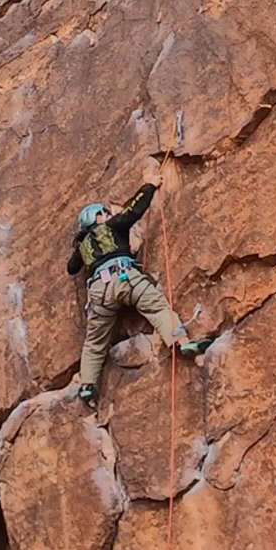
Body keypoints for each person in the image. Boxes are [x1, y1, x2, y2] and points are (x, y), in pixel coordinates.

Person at [69, 161, 211, 407]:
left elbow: (72, 268)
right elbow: (132, 212)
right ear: (98, 218)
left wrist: (81, 247)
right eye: (105, 213)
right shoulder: (111, 226)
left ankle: (87, 385)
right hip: (125, 277)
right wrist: (149, 186)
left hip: (100, 291)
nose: (109, 215)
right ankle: (181, 343)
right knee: (158, 308)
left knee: (94, 341)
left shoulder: (82, 246)